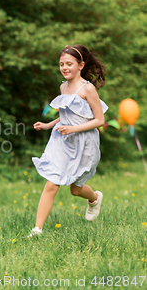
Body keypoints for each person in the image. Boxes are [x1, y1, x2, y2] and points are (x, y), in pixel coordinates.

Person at [30, 44, 108, 237]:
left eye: (69, 64)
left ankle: (95, 198)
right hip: (62, 140)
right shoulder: (63, 87)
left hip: (84, 143)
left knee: (75, 189)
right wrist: (48, 125)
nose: (64, 68)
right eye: (61, 64)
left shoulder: (87, 89)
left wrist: (73, 128)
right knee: (52, 183)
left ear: (81, 65)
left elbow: (99, 120)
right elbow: (68, 114)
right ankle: (37, 230)